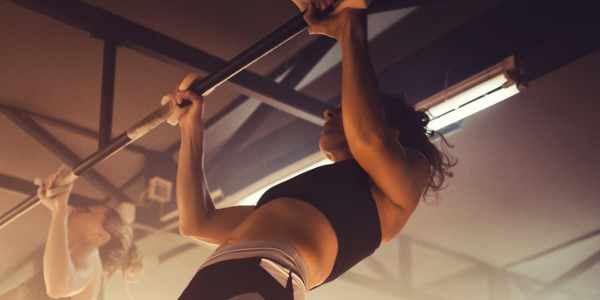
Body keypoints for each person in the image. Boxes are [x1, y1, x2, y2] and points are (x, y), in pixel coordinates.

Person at [171, 2, 456, 299]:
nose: (327, 114)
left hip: (264, 276)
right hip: (204, 280)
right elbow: (197, 222)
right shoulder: (290, 199)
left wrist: (349, 28)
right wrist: (191, 126)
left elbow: (369, 140)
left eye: (343, 110)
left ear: (392, 134)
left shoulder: (404, 181)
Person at [0, 169, 142, 300]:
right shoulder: (45, 275)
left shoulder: (90, 252)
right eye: (87, 210)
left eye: (87, 211)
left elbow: (59, 286)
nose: (74, 209)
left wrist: (59, 209)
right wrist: (57, 208)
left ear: (101, 236)